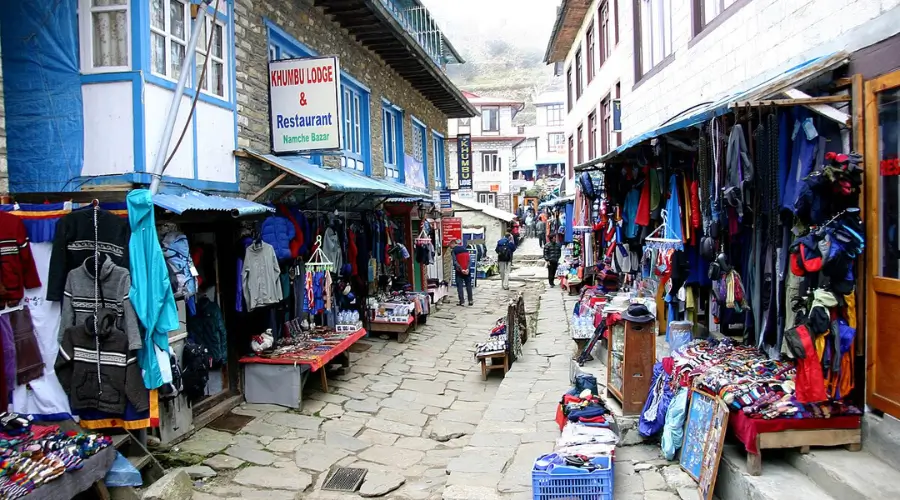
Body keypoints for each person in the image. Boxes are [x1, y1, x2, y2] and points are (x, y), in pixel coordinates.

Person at [452, 239, 473, 306]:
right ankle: (470, 300)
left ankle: (462, 301)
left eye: (450, 245)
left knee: (460, 286)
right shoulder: (465, 249)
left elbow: (455, 261)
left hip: (459, 271)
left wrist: (461, 269)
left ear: (453, 244)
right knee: (468, 286)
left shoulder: (454, 251)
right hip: (467, 271)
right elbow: (469, 260)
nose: (450, 246)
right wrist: (467, 269)